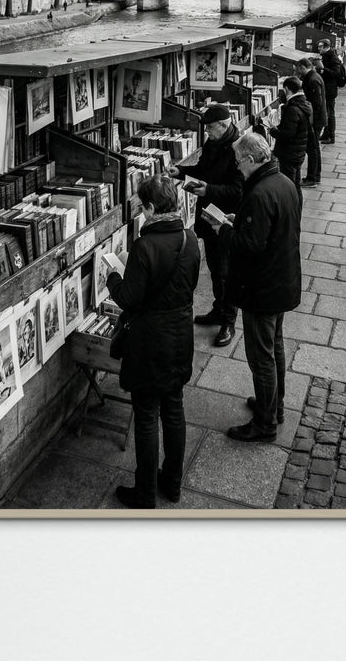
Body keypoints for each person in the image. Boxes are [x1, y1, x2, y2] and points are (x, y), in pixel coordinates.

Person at [106, 174, 201, 508]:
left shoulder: (145, 246)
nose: (142, 214)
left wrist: (113, 278)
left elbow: (130, 299)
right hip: (179, 335)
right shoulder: (190, 239)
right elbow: (189, 285)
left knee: (146, 415)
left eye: (142, 208)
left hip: (149, 340)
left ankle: (145, 492)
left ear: (149, 207)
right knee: (173, 409)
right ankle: (172, 483)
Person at [219, 133, 301, 442]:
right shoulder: (283, 182)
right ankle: (273, 405)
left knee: (261, 357)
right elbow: (271, 228)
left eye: (239, 162)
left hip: (262, 288)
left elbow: (248, 246)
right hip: (281, 282)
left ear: (252, 160)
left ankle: (265, 423)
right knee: (274, 347)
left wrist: (225, 230)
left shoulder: (260, 192)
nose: (237, 167)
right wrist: (239, 218)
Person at [170, 104, 242, 348]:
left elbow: (238, 190)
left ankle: (228, 321)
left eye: (210, 128)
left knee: (227, 272)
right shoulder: (213, 143)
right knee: (214, 268)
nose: (207, 133)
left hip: (226, 219)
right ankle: (218, 309)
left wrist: (209, 189)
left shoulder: (238, 149)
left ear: (224, 124)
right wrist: (180, 171)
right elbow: (203, 170)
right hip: (208, 216)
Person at [269, 75, 312, 192]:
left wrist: (273, 131)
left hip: (289, 154)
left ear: (287, 89)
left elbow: (287, 135)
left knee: (289, 187)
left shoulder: (292, 108)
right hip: (298, 152)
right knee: (296, 186)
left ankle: (291, 209)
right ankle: (297, 209)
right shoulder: (303, 104)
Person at [298, 58, 328, 186]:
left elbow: (316, 103)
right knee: (314, 148)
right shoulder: (314, 77)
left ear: (303, 67)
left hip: (315, 120)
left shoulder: (313, 80)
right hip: (317, 119)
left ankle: (312, 178)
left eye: (298, 69)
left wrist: (308, 118)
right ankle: (316, 176)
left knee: (312, 149)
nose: (297, 72)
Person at [316, 38, 345, 143]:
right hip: (326, 88)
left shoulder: (333, 57)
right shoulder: (326, 56)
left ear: (326, 47)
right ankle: (326, 134)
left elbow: (336, 73)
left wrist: (323, 70)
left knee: (329, 113)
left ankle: (331, 136)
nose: (318, 48)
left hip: (330, 89)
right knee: (327, 112)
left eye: (320, 47)